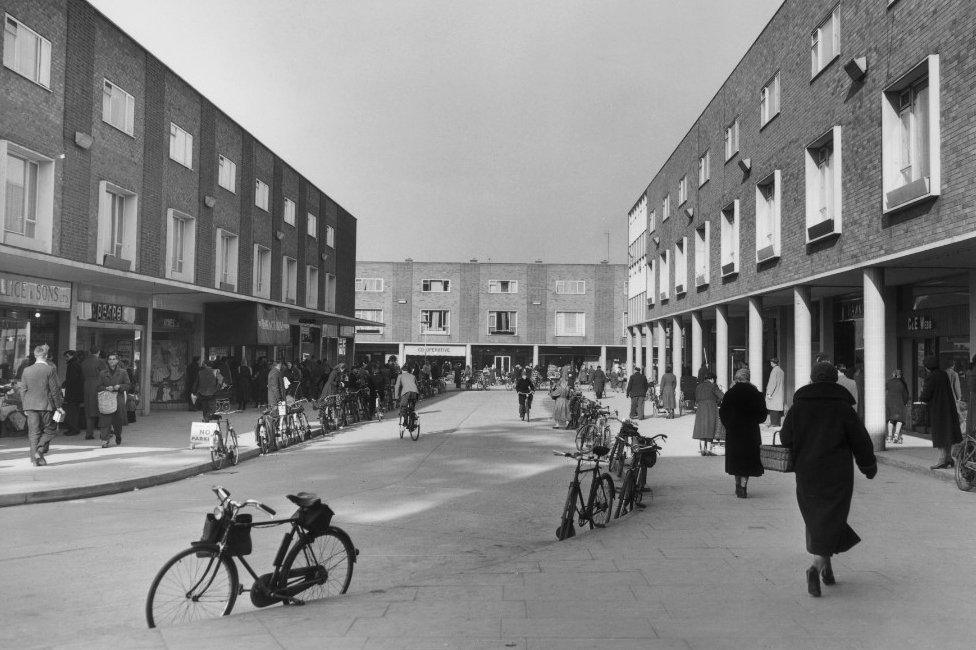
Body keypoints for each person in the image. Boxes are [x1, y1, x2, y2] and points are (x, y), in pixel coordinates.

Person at [780, 361, 877, 598]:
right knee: (832, 517)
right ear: (835, 380)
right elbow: (860, 440)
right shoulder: (843, 408)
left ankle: (826, 569)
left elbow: (785, 438)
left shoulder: (799, 407)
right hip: (837, 475)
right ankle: (816, 567)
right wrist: (868, 465)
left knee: (816, 518)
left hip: (807, 472)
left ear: (812, 379)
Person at [719, 368, 768, 497]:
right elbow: (763, 415)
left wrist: (729, 424)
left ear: (737, 378)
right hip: (750, 432)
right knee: (747, 460)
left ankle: (737, 485)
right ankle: (743, 486)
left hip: (734, 431)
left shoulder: (730, 393)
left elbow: (723, 412)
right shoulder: (756, 393)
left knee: (736, 460)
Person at [21, 344, 63, 466]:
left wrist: (24, 406)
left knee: (34, 433)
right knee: (51, 429)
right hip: (46, 405)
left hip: (30, 405)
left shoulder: (26, 370)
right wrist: (59, 405)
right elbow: (54, 389)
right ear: (45, 356)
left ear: (35, 356)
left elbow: (23, 389)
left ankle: (35, 460)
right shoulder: (50, 369)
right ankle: (39, 450)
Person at [919, 356, 961, 469]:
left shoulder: (931, 377)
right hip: (948, 407)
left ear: (928, 367)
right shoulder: (943, 374)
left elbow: (926, 395)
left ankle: (942, 460)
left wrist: (922, 397)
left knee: (940, 434)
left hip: (938, 409)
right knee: (948, 433)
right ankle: (948, 458)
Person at [97, 351, 131, 448]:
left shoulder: (123, 372)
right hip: (106, 399)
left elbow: (128, 385)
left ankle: (118, 435)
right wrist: (106, 388)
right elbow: (98, 387)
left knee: (117, 421)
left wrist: (119, 386)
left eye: (114, 359)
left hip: (117, 399)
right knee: (105, 420)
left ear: (117, 360)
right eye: (110, 359)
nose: (112, 361)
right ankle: (104, 440)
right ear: (107, 361)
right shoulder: (102, 373)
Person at [692, 371, 724, 456]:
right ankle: (709, 449)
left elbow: (697, 398)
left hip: (701, 408)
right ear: (712, 379)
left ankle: (702, 449)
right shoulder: (713, 386)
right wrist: (717, 401)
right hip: (711, 408)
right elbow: (722, 396)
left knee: (702, 428)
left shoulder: (698, 386)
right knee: (710, 427)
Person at [81, 347, 107, 439]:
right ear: (98, 352)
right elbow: (105, 375)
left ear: (89, 352)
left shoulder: (84, 362)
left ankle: (89, 433)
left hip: (87, 386)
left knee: (89, 411)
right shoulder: (100, 362)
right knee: (102, 410)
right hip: (98, 386)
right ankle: (103, 433)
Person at [61, 350, 84, 436]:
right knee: (74, 411)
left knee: (72, 411)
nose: (65, 359)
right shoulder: (76, 364)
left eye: (67, 356)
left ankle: (73, 428)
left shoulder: (72, 365)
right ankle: (74, 428)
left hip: (73, 392)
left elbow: (72, 379)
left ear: (71, 356)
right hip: (76, 392)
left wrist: (65, 383)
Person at [885, 369, 910, 444]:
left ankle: (889, 437)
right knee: (899, 420)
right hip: (899, 402)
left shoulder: (889, 382)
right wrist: (905, 402)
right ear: (900, 375)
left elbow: (885, 389)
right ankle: (896, 436)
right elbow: (906, 395)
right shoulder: (902, 383)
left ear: (893, 374)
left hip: (889, 402)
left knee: (891, 419)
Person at [764, 357, 785, 427]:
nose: (770, 364)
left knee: (773, 409)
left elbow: (772, 383)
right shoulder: (781, 371)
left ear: (772, 363)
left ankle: (774, 424)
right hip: (779, 392)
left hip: (774, 393)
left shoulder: (774, 371)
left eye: (771, 363)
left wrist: (769, 393)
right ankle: (777, 423)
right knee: (777, 408)